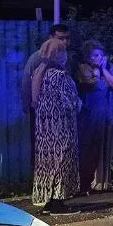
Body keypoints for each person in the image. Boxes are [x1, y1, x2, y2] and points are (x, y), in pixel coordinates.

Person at [31, 38, 81, 215]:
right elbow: (70, 102)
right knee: (62, 162)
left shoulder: (39, 73)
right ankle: (59, 202)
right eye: (64, 51)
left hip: (44, 131)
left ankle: (48, 202)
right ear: (58, 54)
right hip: (61, 128)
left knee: (47, 164)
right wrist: (79, 102)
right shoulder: (60, 76)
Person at [21, 24, 71, 165]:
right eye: (60, 38)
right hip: (41, 109)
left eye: (67, 38)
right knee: (40, 146)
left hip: (58, 112)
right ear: (51, 37)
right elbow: (27, 81)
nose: (65, 42)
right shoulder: (40, 57)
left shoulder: (64, 56)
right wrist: (30, 105)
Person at [76, 40, 113, 194]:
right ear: (88, 57)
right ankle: (84, 184)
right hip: (91, 116)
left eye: (101, 55)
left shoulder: (109, 67)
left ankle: (103, 182)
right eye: (95, 55)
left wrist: (104, 69)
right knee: (89, 149)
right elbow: (93, 85)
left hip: (108, 114)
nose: (99, 58)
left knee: (106, 148)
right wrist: (98, 74)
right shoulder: (83, 68)